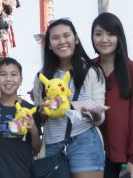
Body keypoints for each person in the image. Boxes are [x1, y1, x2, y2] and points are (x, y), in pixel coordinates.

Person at [33, 18, 107, 178]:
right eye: (55, 38)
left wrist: (94, 112)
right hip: (52, 146)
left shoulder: (92, 72)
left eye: (66, 35)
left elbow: (100, 118)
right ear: (50, 45)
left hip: (85, 141)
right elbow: (39, 118)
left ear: (76, 39)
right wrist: (42, 113)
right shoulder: (41, 77)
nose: (62, 41)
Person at [91, 12, 133, 178]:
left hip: (131, 159)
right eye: (98, 34)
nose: (104, 39)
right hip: (101, 156)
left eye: (111, 34)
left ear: (119, 38)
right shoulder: (89, 69)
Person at [0, 57, 41, 178]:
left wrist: (33, 129)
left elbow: (37, 149)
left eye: (14, 74)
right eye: (3, 74)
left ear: (21, 79)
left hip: (24, 173)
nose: (8, 79)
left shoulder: (30, 110)